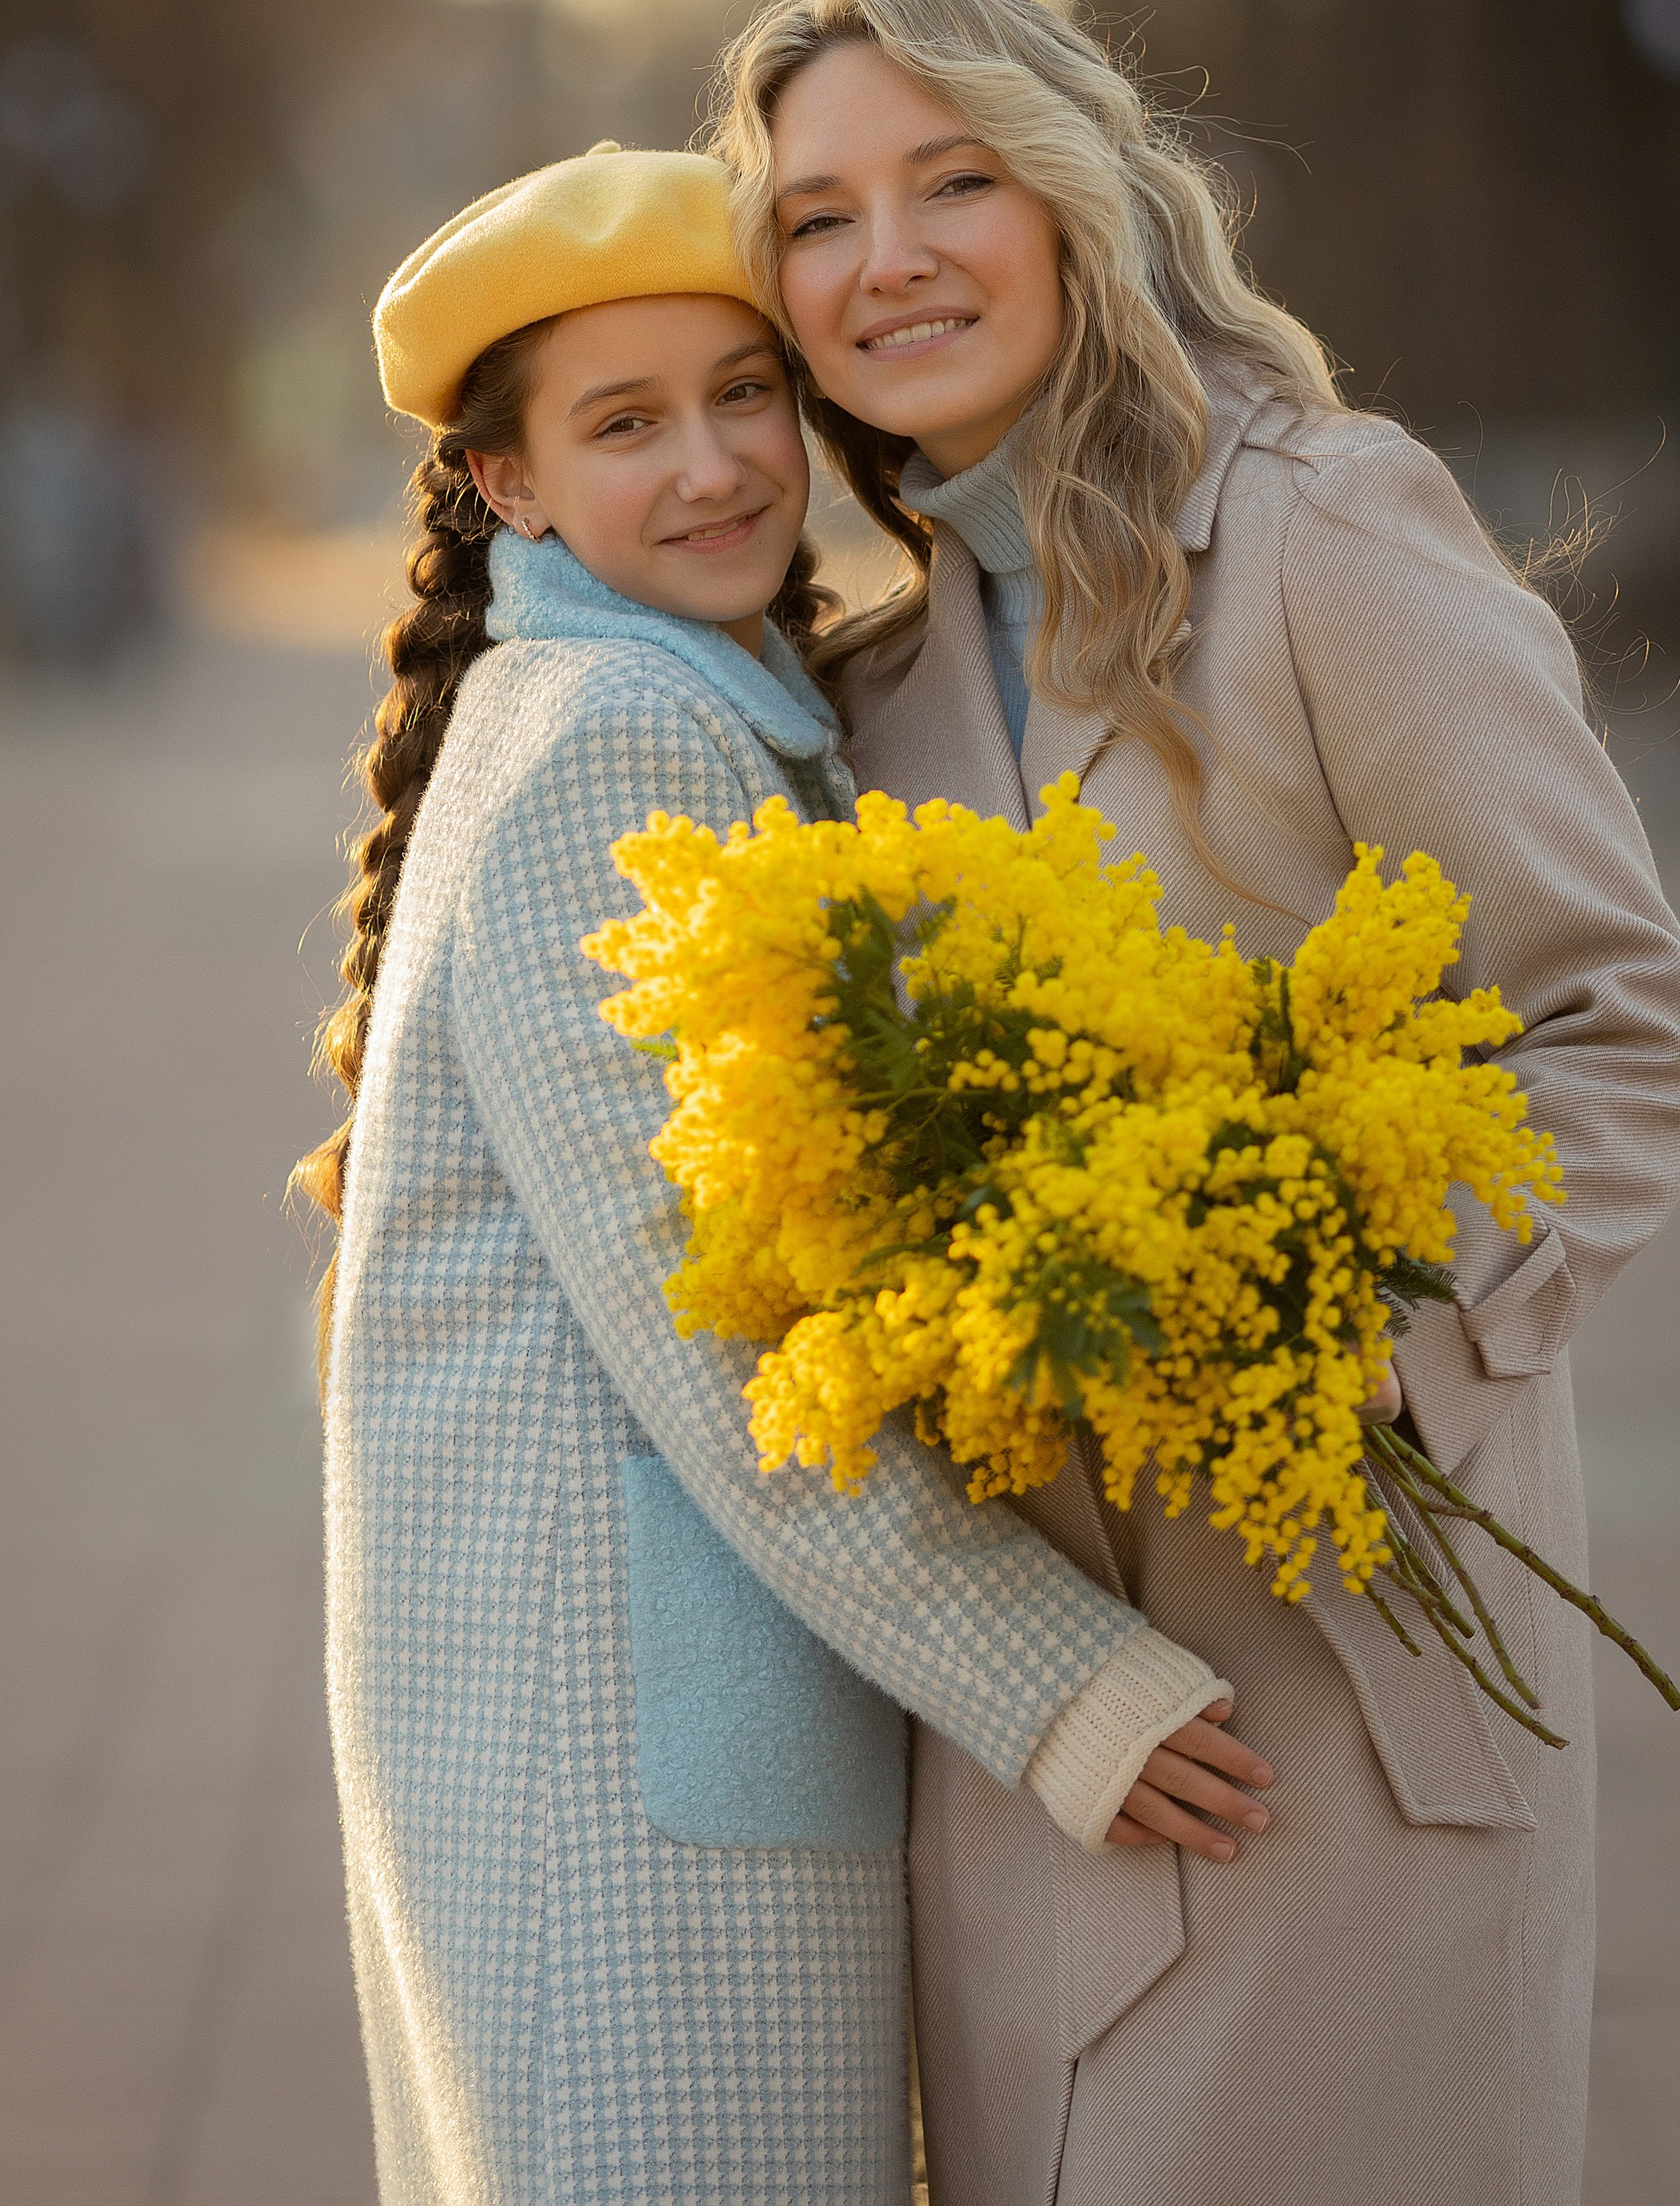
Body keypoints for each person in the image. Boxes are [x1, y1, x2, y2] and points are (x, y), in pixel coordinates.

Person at [713, 0, 1680, 2206]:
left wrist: (1315, 1318)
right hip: (1033, 1750)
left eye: (949, 180)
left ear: (1075, 199)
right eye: (816, 217)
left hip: (1339, 1709)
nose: (886, 259)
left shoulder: (1318, 531)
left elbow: (1619, 1028)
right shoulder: (854, 696)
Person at [302, 143, 1267, 2206]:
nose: (722, 464)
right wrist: (1063, 1681)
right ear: (512, 488)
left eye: (747, 395)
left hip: (666, 1753)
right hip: (621, 1789)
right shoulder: (616, 750)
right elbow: (721, 1340)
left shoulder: (687, 705)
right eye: (626, 424)